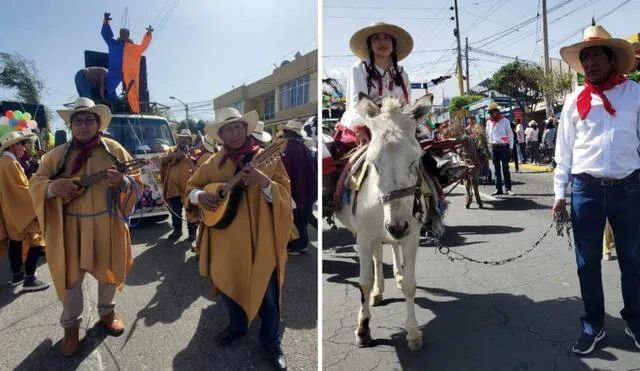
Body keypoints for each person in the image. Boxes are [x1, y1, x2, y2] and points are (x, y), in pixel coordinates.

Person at [29, 97, 142, 356]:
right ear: (70, 125)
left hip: (107, 223)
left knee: (109, 272)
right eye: (77, 121)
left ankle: (107, 312)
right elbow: (34, 184)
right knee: (70, 281)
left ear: (98, 123)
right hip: (69, 229)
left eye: (88, 120)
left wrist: (122, 182)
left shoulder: (114, 149)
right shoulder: (55, 156)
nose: (83, 125)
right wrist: (52, 188)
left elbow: (135, 182)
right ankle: (71, 327)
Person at [552, 22, 640, 354]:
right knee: (587, 262)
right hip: (585, 190)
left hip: (629, 189)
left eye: (596, 55)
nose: (590, 62)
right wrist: (560, 193)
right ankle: (594, 324)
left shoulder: (635, 94)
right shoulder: (575, 100)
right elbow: (564, 150)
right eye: (585, 57)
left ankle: (634, 319)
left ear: (611, 59)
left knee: (632, 260)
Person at [185, 107, 292, 371]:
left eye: (237, 128)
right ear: (220, 135)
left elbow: (287, 197)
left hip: (260, 239)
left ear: (246, 130)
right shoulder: (212, 163)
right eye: (227, 129)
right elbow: (190, 188)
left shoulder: (267, 157)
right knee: (227, 285)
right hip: (224, 239)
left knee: (267, 295)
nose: (233, 134)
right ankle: (237, 326)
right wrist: (201, 197)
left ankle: (271, 340)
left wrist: (265, 183)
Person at [334, 22, 413, 149]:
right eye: (376, 38)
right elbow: (357, 103)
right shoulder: (359, 69)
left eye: (386, 38)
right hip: (366, 125)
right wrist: (359, 128)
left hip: (396, 127)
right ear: (370, 45)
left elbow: (406, 104)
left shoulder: (402, 73)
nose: (382, 42)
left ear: (393, 44)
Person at [0, 130, 50, 291]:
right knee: (36, 239)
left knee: (15, 242)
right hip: (20, 210)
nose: (25, 147)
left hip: (10, 211)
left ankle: (17, 276)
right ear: (13, 146)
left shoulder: (3, 162)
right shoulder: (11, 163)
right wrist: (39, 195)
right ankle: (30, 278)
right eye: (22, 144)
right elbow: (22, 189)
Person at [281, 119, 318, 255]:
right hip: (307, 190)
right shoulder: (303, 147)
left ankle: (296, 246)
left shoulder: (289, 148)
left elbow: (286, 171)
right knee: (302, 220)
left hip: (296, 191)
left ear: (288, 132)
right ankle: (301, 245)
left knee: (296, 219)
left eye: (284, 132)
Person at [160, 129, 197, 241]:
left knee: (191, 210)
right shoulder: (171, 150)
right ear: (178, 140)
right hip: (174, 187)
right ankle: (177, 230)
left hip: (190, 187)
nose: (184, 140)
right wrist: (176, 155)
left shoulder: (195, 152)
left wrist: (191, 157)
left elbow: (200, 166)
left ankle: (192, 233)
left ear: (190, 141)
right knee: (176, 210)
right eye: (182, 138)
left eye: (186, 138)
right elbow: (163, 160)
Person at [485, 102, 514, 195]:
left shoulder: (504, 121)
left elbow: (510, 135)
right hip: (493, 148)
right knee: (496, 169)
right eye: (488, 112)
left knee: (505, 168)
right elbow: (487, 135)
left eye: (491, 112)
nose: (490, 114)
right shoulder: (488, 122)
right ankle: (498, 189)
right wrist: (488, 147)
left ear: (496, 111)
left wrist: (511, 147)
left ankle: (508, 189)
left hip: (504, 147)